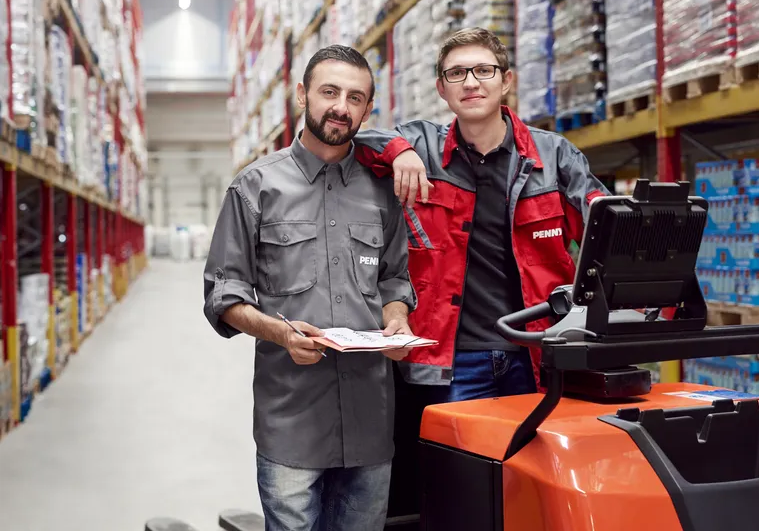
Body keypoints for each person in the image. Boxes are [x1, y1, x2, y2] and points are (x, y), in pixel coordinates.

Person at [202, 45, 417, 531]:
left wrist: (398, 320)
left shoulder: (383, 192)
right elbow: (224, 294)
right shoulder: (254, 187)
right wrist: (280, 334)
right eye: (329, 92)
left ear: (368, 107)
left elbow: (394, 279)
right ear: (303, 95)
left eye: (355, 97)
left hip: (370, 419)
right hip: (292, 420)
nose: (341, 106)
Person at [354, 27, 610, 402]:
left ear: (506, 80)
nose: (470, 83)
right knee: (460, 460)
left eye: (483, 71)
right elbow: (352, 143)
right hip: (453, 361)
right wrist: (399, 151)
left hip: (537, 350)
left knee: (530, 460)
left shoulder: (554, 156)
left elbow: (606, 225)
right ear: (441, 89)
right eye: (456, 73)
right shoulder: (421, 146)